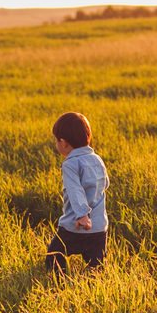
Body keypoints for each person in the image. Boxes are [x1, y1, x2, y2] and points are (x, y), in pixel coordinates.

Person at [46, 111, 109, 273]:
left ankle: (57, 283)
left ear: (63, 142)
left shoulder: (70, 164)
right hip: (99, 228)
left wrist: (82, 215)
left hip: (75, 227)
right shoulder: (97, 159)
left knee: (54, 256)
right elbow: (105, 183)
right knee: (97, 265)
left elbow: (75, 191)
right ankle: (96, 282)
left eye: (55, 141)